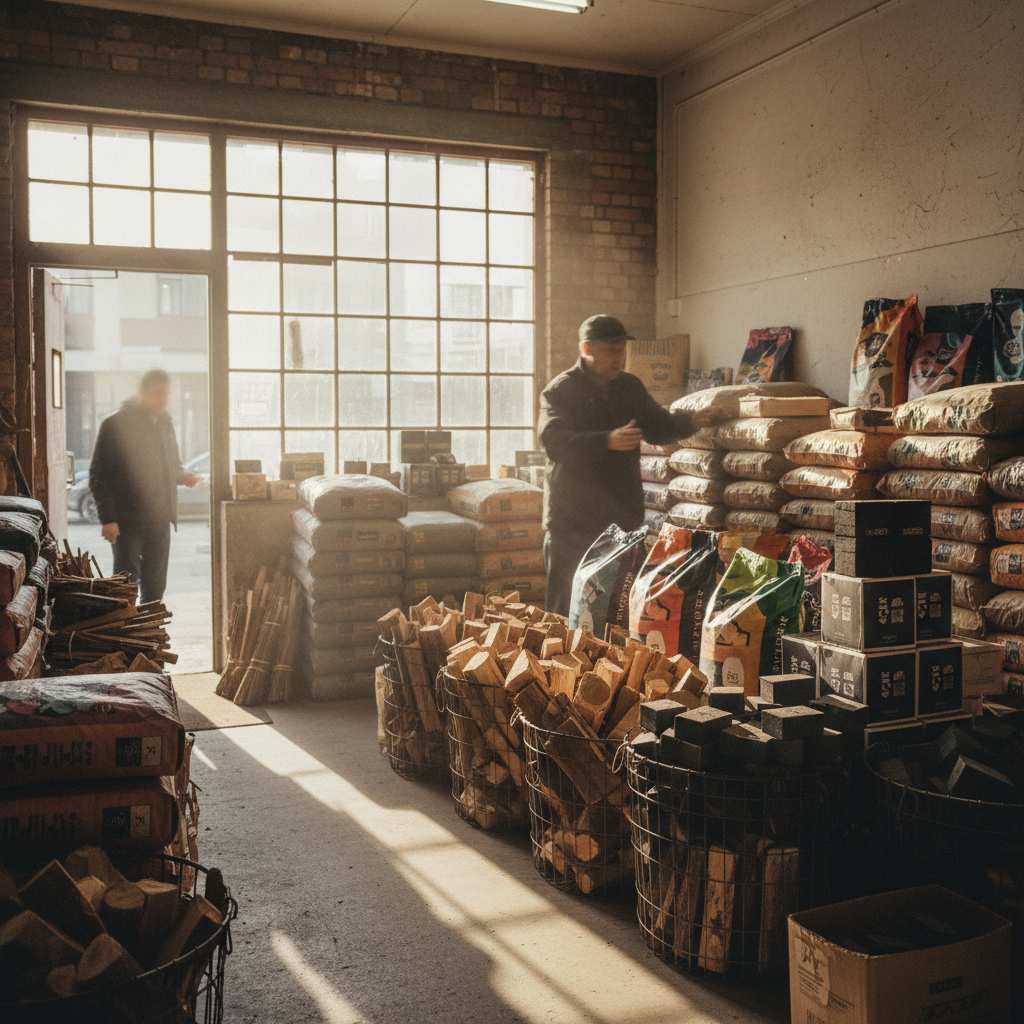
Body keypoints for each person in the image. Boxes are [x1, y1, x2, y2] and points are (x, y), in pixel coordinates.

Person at [538, 314, 716, 616]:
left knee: (615, 607)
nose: (619, 358)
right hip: (573, 522)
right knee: (565, 606)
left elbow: (658, 426)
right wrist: (606, 441)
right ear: (586, 348)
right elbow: (551, 440)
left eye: (621, 350)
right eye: (610, 350)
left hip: (619, 518)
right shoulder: (560, 391)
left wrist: (693, 420)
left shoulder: (630, 387)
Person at [89, 369, 201, 604]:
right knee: (126, 585)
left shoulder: (166, 425)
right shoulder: (115, 425)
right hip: (127, 521)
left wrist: (184, 476)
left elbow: (173, 465)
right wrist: (108, 519)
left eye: (166, 394)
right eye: (158, 394)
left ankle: (151, 627)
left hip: (160, 519)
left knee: (156, 586)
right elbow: (99, 476)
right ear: (142, 393)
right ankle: (125, 628)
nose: (163, 400)